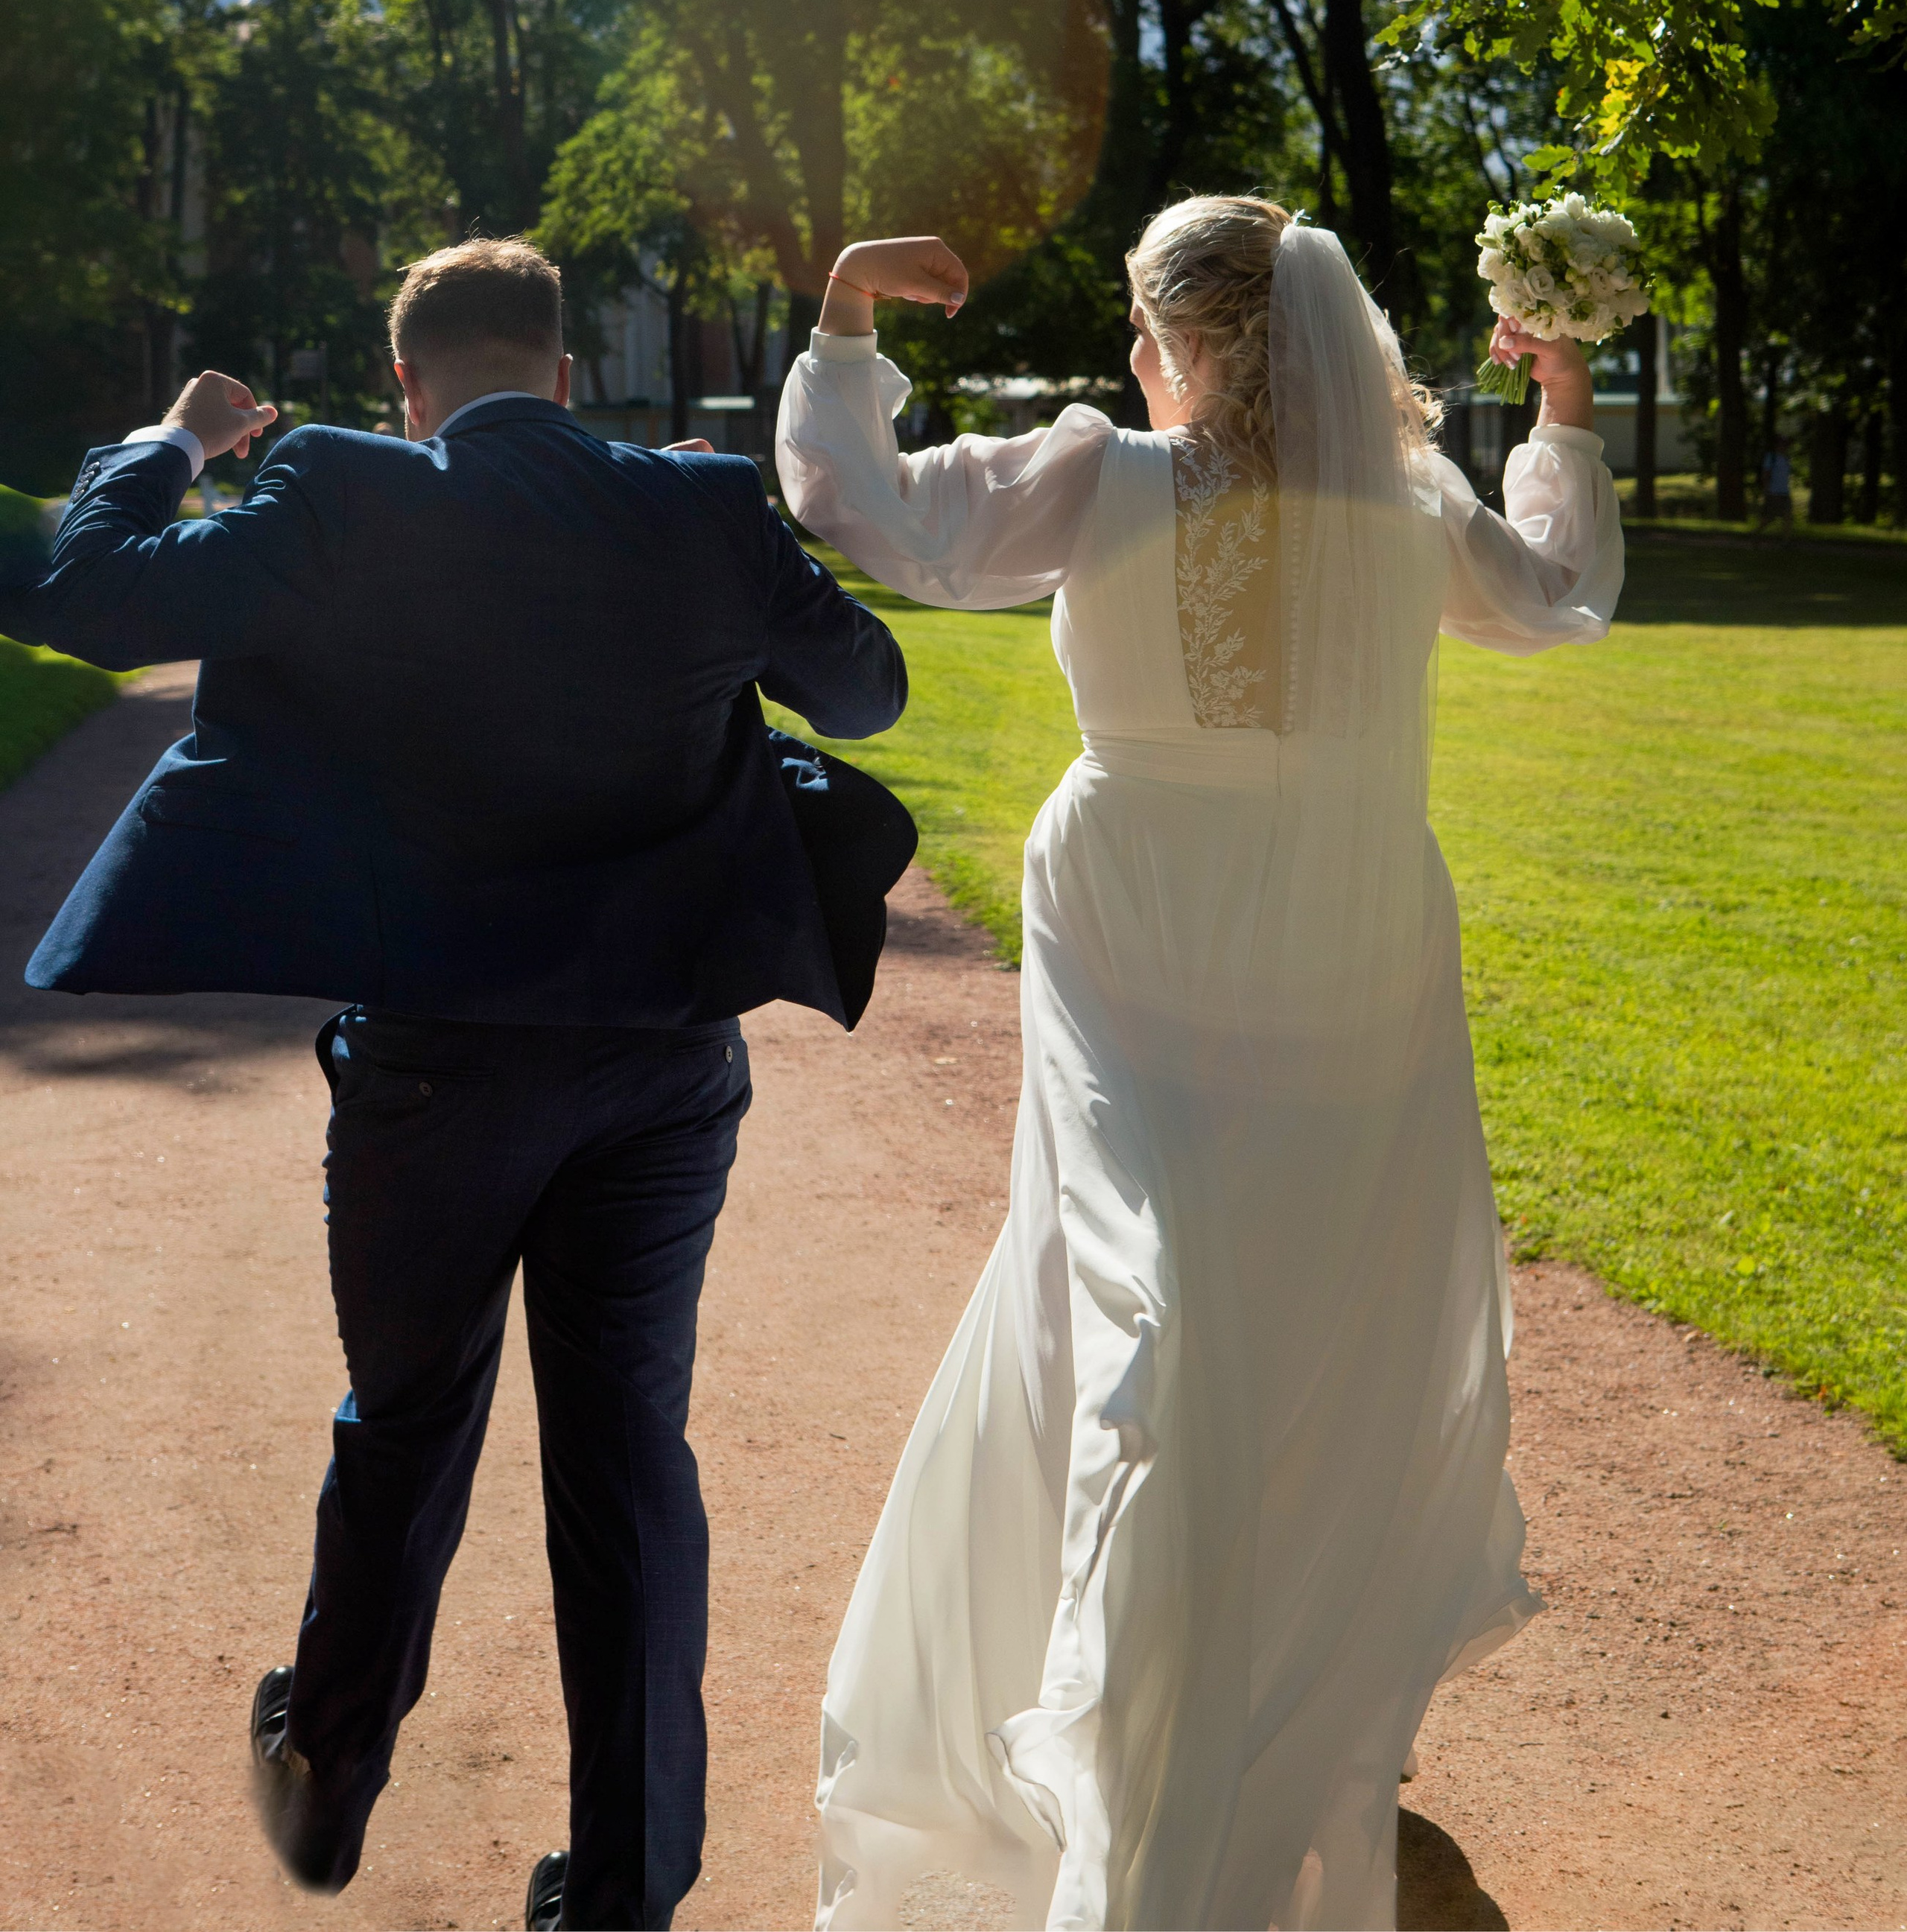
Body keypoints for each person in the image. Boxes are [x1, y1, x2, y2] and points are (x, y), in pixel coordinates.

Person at [0, 237, 906, 1932]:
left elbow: (81, 586)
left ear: (408, 382)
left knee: (409, 1414)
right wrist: (752, 543)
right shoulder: (697, 511)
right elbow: (864, 682)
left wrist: (178, 441)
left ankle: (333, 1769)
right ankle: (625, 1888)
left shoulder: (349, 492)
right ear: (563, 371)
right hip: (659, 1069)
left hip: (438, 1069)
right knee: (628, 1453)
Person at [775, 197, 1624, 1932]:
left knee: (1154, 1295)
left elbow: (874, 514)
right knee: (1260, 1296)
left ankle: (1160, 1707)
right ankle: (1203, 1690)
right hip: (1344, 911)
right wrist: (1559, 404)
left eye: (1139, 330)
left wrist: (847, 328)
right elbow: (1555, 601)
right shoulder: (1404, 503)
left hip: (1159, 898)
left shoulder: (1098, 476)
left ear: (1170, 336)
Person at [1757, 437, 1795, 532]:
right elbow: (1765, 474)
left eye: (1785, 445)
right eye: (1782, 445)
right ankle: (1756, 534)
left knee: (1788, 517)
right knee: (1770, 518)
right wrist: (1766, 489)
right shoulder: (1771, 457)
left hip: (1785, 492)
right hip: (1774, 492)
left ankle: (1786, 542)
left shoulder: (1786, 458)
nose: (1784, 447)